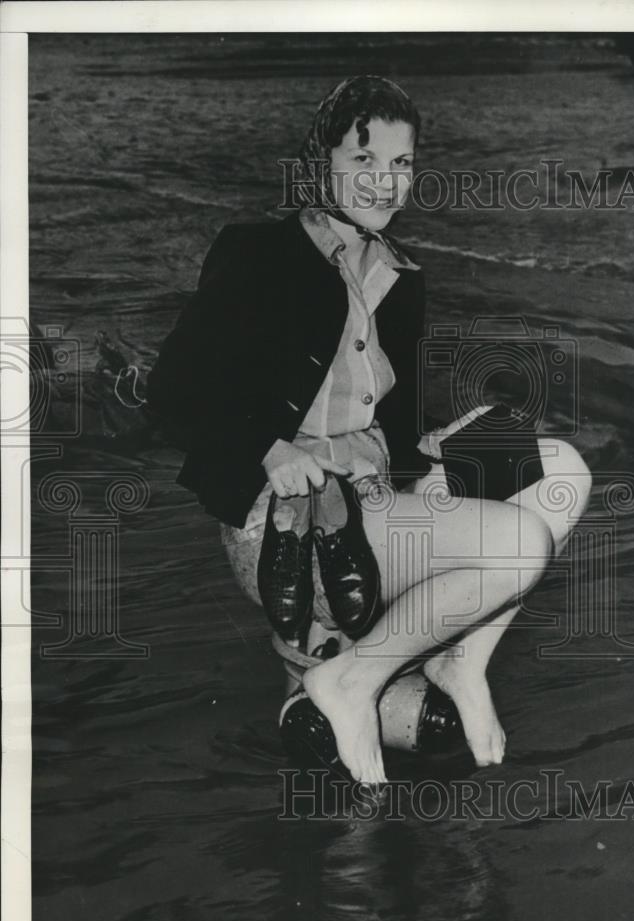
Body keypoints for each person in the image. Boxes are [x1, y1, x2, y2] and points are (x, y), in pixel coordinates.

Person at [147, 75, 591, 786]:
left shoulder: (399, 274)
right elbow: (172, 391)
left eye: (401, 165)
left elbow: (388, 422)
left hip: (375, 504)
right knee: (517, 543)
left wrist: (438, 442)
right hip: (286, 523)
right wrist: (271, 449)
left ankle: (458, 662)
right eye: (364, 163)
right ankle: (352, 683)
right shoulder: (261, 252)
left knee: (561, 468)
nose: (385, 184)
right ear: (318, 164)